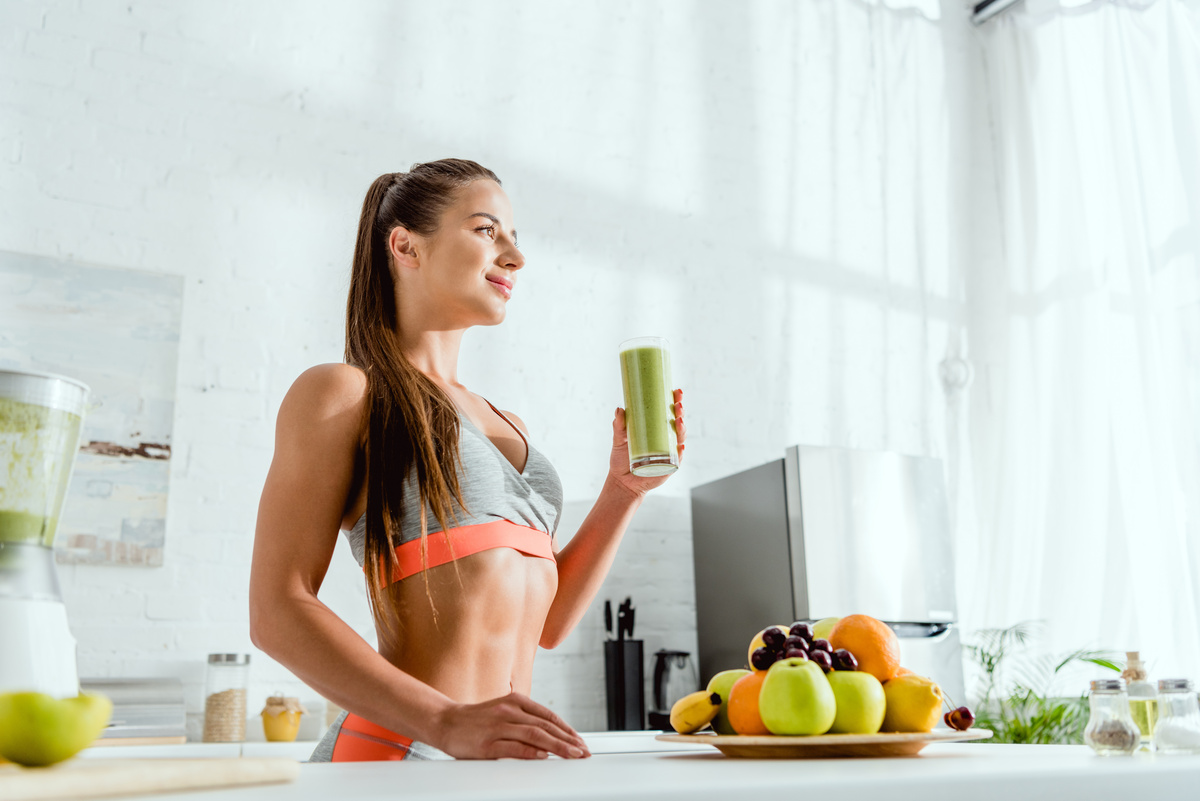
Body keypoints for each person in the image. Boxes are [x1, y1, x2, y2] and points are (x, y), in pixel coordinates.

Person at [249, 159, 687, 762]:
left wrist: (623, 491)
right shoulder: (346, 394)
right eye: (487, 231)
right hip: (402, 752)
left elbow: (546, 624)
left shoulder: (508, 424)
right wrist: (446, 721)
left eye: (514, 237)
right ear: (405, 245)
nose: (514, 256)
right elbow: (276, 610)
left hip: (493, 761)